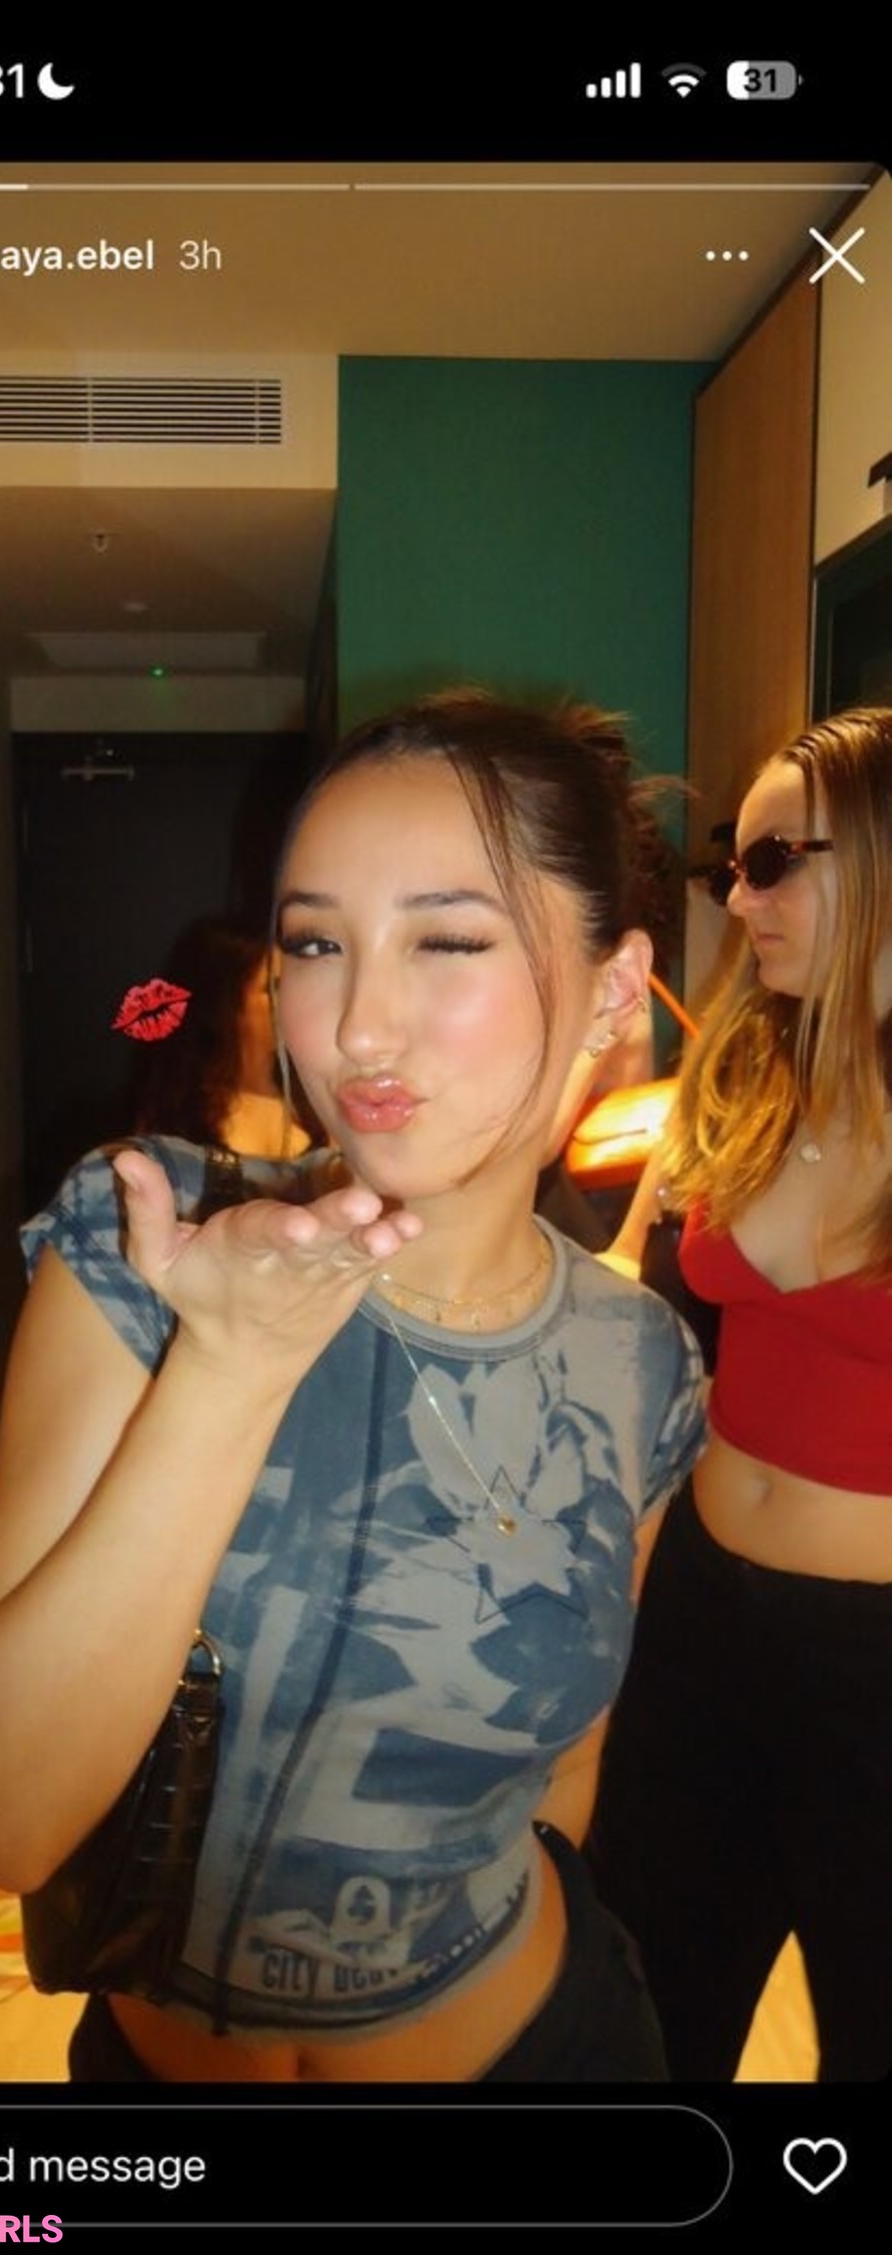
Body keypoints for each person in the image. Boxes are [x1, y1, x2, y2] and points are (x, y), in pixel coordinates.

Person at [0, 688, 706, 2085]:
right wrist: (229, 1365)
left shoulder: (638, 1361)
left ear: (611, 986)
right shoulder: (151, 1238)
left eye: (447, 939)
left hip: (533, 2044)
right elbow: (8, 1820)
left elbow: (563, 1772)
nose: (356, 1026)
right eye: (314, 943)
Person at [588, 706, 892, 2083]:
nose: (739, 897)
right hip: (701, 1616)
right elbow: (624, 1277)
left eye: (774, 861)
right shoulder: (742, 1071)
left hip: (876, 1663)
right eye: (732, 865)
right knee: (650, 2000)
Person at [127, 915, 314, 1161]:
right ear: (224, 1004)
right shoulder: (182, 1120)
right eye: (273, 988)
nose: (294, 999)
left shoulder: (314, 1099)